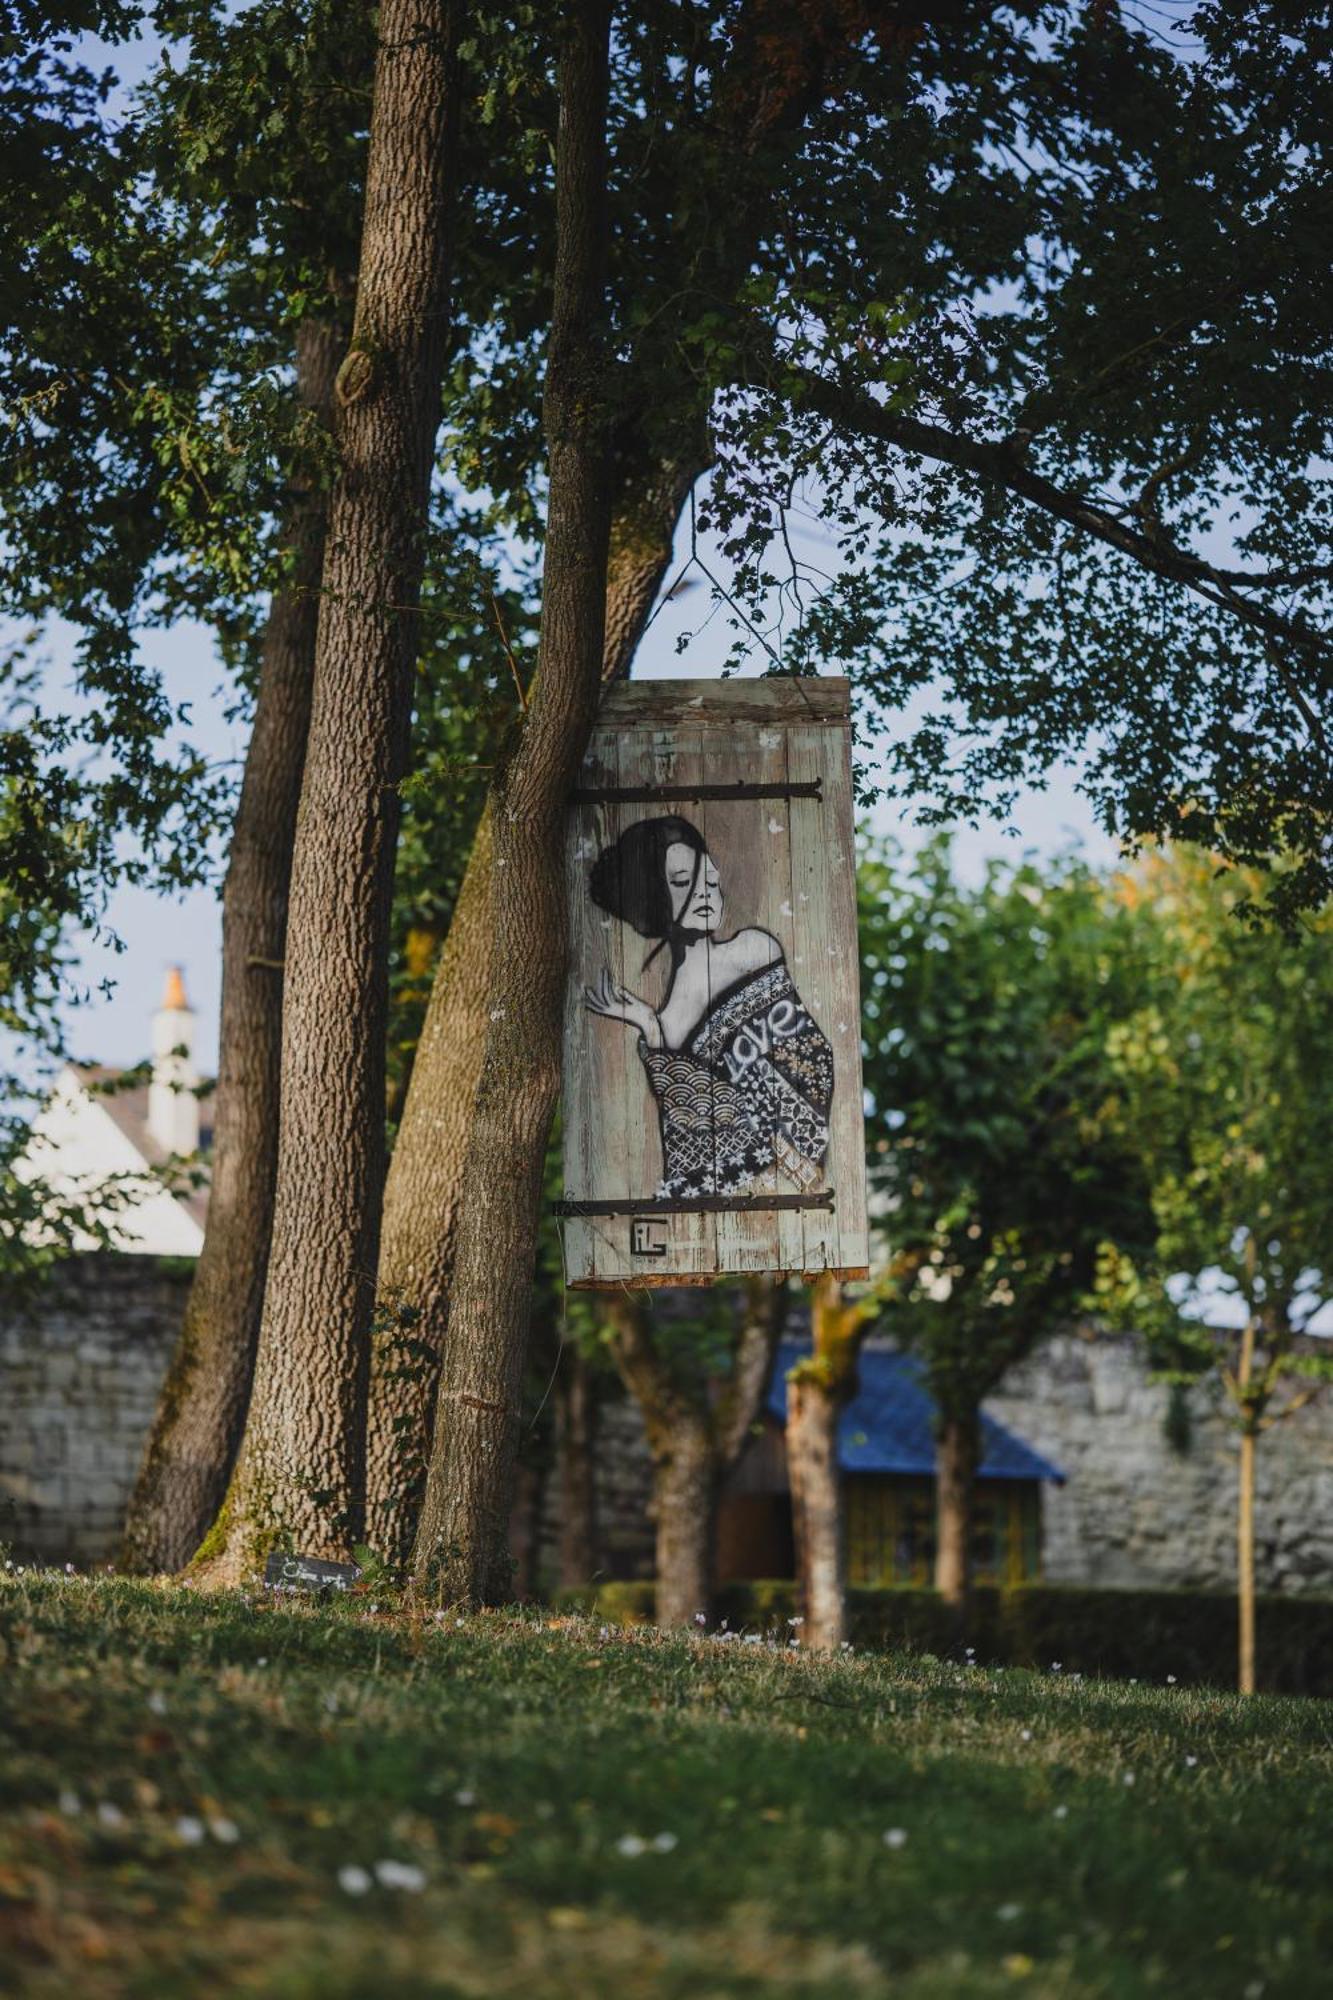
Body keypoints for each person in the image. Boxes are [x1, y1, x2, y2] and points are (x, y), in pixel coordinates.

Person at [584, 814, 833, 1199]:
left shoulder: (754, 951)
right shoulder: (664, 1025)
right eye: (683, 882)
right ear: (651, 895)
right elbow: (688, 1144)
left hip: (790, 1175)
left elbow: (811, 1059)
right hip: (736, 1191)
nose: (704, 892)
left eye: (710, 879)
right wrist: (648, 1026)